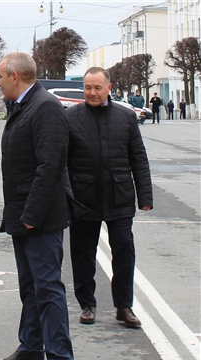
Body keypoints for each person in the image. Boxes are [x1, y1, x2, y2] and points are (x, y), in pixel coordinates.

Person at [0, 52, 73, 360]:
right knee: (30, 288)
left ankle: (59, 354)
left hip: (39, 218)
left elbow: (50, 166)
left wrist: (31, 217)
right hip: (23, 214)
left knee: (48, 289)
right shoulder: (24, 105)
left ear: (15, 76)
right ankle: (31, 347)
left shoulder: (45, 106)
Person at [66, 67, 153, 329]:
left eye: (97, 88)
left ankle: (124, 307)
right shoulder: (70, 117)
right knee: (83, 253)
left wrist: (144, 195)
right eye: (87, 88)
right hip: (83, 198)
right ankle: (87, 305)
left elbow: (138, 158)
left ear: (109, 87)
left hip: (120, 196)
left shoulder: (126, 117)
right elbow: (61, 161)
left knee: (124, 250)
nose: (92, 93)